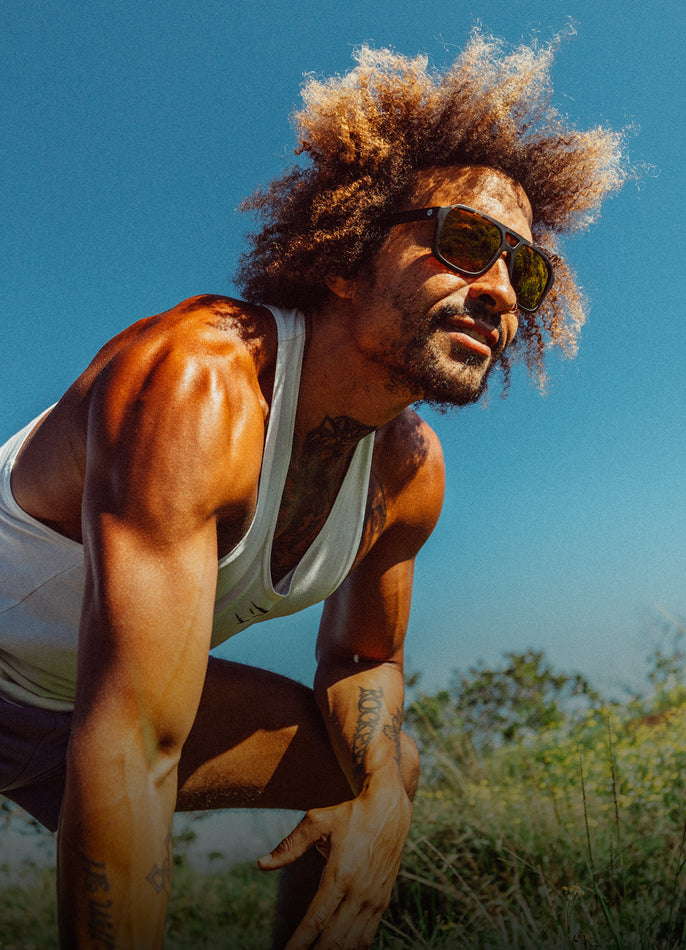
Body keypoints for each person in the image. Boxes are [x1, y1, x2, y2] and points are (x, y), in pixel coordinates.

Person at [0, 31, 627, 950]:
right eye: (464, 242)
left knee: (379, 766)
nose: (500, 289)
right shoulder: (198, 382)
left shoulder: (409, 475)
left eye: (525, 270)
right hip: (91, 705)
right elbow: (133, 746)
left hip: (71, 707)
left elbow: (364, 659)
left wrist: (379, 795)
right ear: (344, 256)